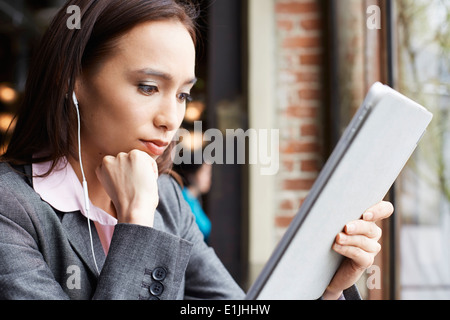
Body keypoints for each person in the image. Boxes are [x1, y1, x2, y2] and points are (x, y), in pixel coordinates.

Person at [0, 0, 393, 300]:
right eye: (148, 87)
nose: (171, 118)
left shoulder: (167, 198)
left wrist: (324, 289)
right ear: (73, 81)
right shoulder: (11, 208)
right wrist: (137, 224)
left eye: (183, 94)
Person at [172, 150, 213, 243]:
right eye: (205, 172)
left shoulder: (194, 200)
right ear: (191, 174)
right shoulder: (181, 198)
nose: (209, 178)